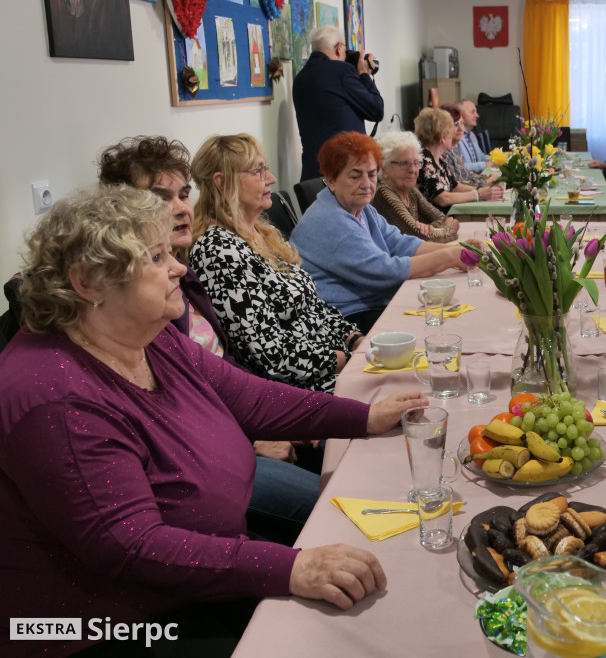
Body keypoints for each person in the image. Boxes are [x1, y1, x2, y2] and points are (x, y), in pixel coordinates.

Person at [0, 186, 427, 657]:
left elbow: (252, 398)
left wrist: (364, 416)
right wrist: (289, 569)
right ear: (87, 282)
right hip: (106, 624)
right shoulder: (56, 398)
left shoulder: (147, 336)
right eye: (157, 257)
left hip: (196, 568)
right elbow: (130, 546)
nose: (179, 267)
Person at [97, 135, 320, 546]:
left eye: (184, 194)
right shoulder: (138, 300)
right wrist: (252, 437)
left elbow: (224, 372)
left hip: (235, 431)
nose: (182, 208)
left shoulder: (183, 273)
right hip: (210, 460)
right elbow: (170, 415)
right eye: (161, 198)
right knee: (338, 508)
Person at [190, 134, 363, 394]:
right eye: (258, 171)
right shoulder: (218, 250)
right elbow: (268, 356)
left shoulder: (262, 231)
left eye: (266, 168)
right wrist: (345, 360)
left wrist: (354, 338)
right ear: (222, 183)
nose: (270, 179)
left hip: (332, 363)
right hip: (301, 387)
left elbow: (312, 306)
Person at [291, 132, 473, 333]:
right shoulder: (330, 219)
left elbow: (400, 243)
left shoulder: (361, 207)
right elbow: (385, 272)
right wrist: (449, 256)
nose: (366, 184)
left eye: (371, 174)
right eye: (355, 175)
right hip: (346, 319)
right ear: (332, 180)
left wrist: (457, 248)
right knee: (440, 325)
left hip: (372, 303)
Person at [293, 25, 384, 181]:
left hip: (312, 173)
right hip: (343, 171)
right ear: (339, 48)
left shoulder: (300, 78)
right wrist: (364, 74)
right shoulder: (342, 71)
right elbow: (376, 110)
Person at [372, 129, 460, 242]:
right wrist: (449, 230)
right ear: (384, 168)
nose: (413, 170)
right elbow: (418, 239)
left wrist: (430, 229)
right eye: (404, 163)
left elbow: (442, 218)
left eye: (416, 163)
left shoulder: (410, 191)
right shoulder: (384, 194)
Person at [415, 107, 500, 210]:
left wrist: (484, 190)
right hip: (437, 222)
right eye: (450, 131)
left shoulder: (438, 159)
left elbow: (455, 186)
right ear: (442, 137)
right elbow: (443, 198)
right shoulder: (425, 160)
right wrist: (478, 194)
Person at [456, 98, 493, 172]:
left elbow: (481, 157)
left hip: (478, 177)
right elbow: (459, 167)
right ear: (460, 114)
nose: (477, 115)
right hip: (467, 181)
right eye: (472, 112)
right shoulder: (456, 137)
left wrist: (501, 158)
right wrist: (486, 165)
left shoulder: (472, 135)